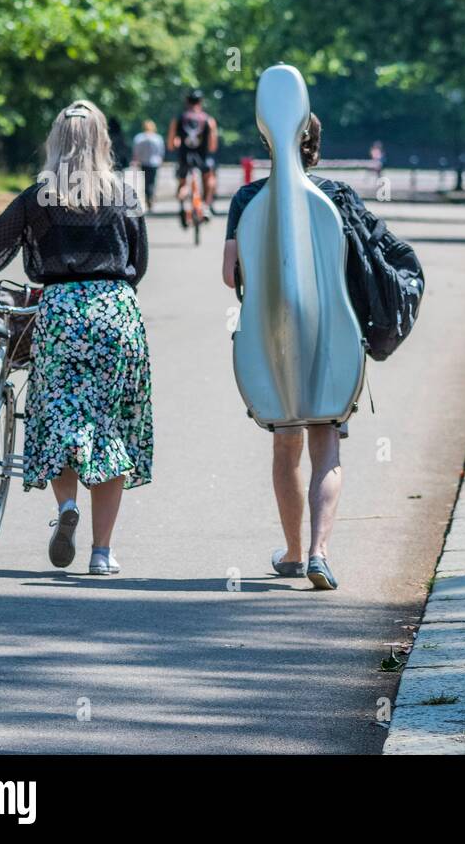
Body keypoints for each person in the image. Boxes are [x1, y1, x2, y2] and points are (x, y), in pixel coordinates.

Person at [0, 100, 152, 576]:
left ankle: (67, 505)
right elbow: (139, 264)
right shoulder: (126, 194)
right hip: (115, 311)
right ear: (102, 141)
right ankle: (101, 553)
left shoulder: (38, 197)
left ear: (57, 142)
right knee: (107, 423)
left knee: (59, 418)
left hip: (60, 314)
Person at [221, 113, 347, 590]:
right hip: (332, 336)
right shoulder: (334, 197)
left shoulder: (249, 198)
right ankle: (319, 552)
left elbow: (231, 275)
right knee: (327, 444)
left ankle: (293, 552)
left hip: (271, 335)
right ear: (316, 146)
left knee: (286, 442)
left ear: (269, 140)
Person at [168, 89, 219, 223]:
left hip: (184, 157)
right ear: (201, 102)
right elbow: (212, 146)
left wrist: (177, 145)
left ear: (187, 102)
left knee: (183, 183)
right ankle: (206, 207)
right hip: (202, 157)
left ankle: (183, 205)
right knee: (209, 178)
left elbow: (171, 144)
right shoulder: (209, 120)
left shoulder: (178, 119)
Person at [130, 119, 165, 209]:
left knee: (146, 180)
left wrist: (135, 159)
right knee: (152, 180)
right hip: (154, 162)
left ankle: (148, 196)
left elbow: (136, 151)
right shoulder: (157, 138)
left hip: (144, 162)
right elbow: (161, 151)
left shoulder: (139, 138)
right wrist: (161, 159)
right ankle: (151, 195)